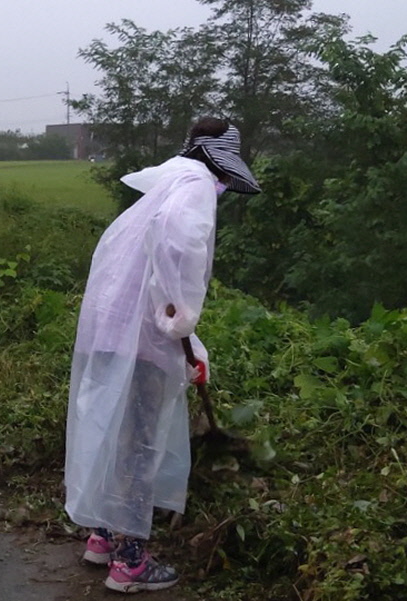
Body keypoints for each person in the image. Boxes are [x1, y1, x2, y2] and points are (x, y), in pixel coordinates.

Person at [64, 117, 261, 593]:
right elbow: (179, 247)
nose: (225, 189)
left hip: (111, 329)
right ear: (219, 164)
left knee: (115, 430)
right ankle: (131, 562)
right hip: (143, 338)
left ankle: (103, 537)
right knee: (140, 443)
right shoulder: (192, 188)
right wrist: (184, 320)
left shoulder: (162, 187)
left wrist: (188, 341)